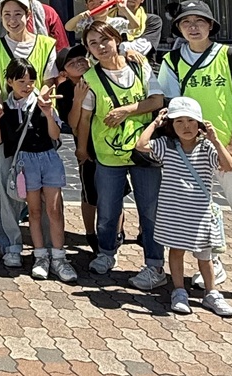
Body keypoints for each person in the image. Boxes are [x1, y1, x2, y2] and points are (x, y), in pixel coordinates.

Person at [157, 0, 232, 309]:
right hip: (191, 154)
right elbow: (168, 104)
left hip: (229, 152)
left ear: (210, 25)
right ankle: (215, 265)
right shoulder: (172, 61)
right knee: (198, 213)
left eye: (200, 21)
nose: (193, 27)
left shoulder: (231, 57)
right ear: (179, 29)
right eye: (186, 22)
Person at [76, 22, 166, 290]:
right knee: (107, 209)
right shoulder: (90, 79)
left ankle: (154, 263)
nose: (101, 47)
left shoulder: (140, 67)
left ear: (117, 39)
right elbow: (84, 119)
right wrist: (82, 148)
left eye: (105, 40)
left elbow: (157, 101)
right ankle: (106, 252)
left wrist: (126, 110)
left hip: (144, 151)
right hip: (108, 154)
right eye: (93, 43)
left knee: (150, 210)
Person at [135, 98, 232, 317]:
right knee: (176, 250)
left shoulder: (206, 147)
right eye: (179, 121)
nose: (186, 126)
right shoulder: (166, 146)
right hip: (173, 211)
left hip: (198, 214)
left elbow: (228, 165)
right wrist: (155, 123)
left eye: (191, 120)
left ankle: (211, 293)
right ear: (171, 125)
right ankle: (179, 291)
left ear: (199, 123)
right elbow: (141, 145)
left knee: (204, 255)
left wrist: (216, 140)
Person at [0, 59, 77, 283]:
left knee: (54, 210)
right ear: (9, 82)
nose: (27, 85)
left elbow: (55, 136)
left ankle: (59, 257)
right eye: (21, 80)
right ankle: (40, 256)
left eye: (31, 81)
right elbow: (2, 141)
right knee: (33, 212)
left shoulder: (41, 103)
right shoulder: (4, 108)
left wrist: (48, 112)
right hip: (25, 163)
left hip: (48, 159)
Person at [0, 0, 58, 267]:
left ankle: (49, 246)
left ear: (29, 16)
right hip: (7, 119)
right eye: (7, 15)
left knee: (45, 187)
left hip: (39, 121)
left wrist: (34, 100)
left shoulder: (47, 44)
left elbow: (51, 82)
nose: (12, 20)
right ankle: (10, 243)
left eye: (18, 14)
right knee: (5, 183)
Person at [54, 44, 104, 253]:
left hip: (110, 144)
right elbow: (72, 123)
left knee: (116, 193)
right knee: (89, 193)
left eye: (81, 59)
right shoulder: (64, 90)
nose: (79, 63)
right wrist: (79, 99)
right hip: (86, 148)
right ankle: (90, 233)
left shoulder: (101, 76)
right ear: (65, 72)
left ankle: (114, 235)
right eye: (72, 63)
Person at [64, 0, 138, 38]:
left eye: (101, 2)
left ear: (110, 4)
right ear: (86, 5)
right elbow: (68, 27)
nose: (96, 5)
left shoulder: (116, 22)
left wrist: (124, 9)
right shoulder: (86, 22)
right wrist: (79, 16)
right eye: (91, 2)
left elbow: (135, 25)